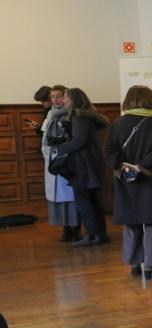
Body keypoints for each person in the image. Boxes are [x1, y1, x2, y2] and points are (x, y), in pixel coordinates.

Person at [103, 86, 152, 280]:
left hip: (126, 182)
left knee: (131, 223)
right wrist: (140, 167)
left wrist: (123, 168)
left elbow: (109, 151)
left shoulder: (117, 124)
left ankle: (134, 263)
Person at [51, 87, 110, 247]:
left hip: (84, 164)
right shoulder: (85, 116)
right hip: (89, 163)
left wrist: (59, 148)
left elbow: (79, 141)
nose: (63, 100)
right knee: (93, 200)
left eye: (66, 97)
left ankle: (93, 235)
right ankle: (100, 234)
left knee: (84, 201)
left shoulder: (78, 117)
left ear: (73, 100)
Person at [40, 85, 81, 243]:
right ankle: (65, 229)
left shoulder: (71, 114)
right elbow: (45, 137)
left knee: (71, 196)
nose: (55, 100)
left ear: (65, 97)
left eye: (58, 96)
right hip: (53, 159)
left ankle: (76, 229)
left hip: (67, 160)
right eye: (52, 97)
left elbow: (74, 138)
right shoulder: (50, 114)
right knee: (58, 197)